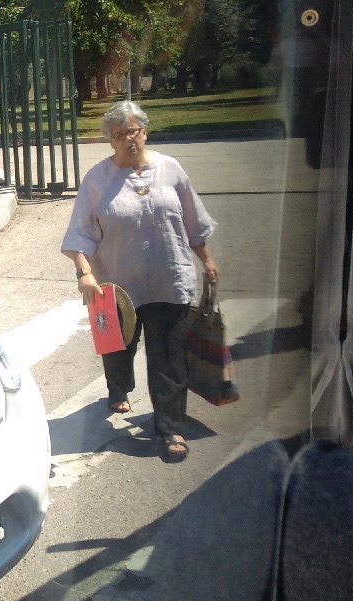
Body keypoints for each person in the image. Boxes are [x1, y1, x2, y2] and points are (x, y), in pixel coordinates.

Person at [60, 100, 220, 461]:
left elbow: (193, 221)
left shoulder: (171, 169)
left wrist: (207, 260)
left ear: (144, 132)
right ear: (110, 142)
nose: (128, 139)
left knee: (169, 357)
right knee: (118, 348)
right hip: (118, 287)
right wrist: (85, 273)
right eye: (119, 135)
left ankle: (170, 427)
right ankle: (119, 386)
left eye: (133, 131)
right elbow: (79, 235)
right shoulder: (97, 181)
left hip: (168, 278)